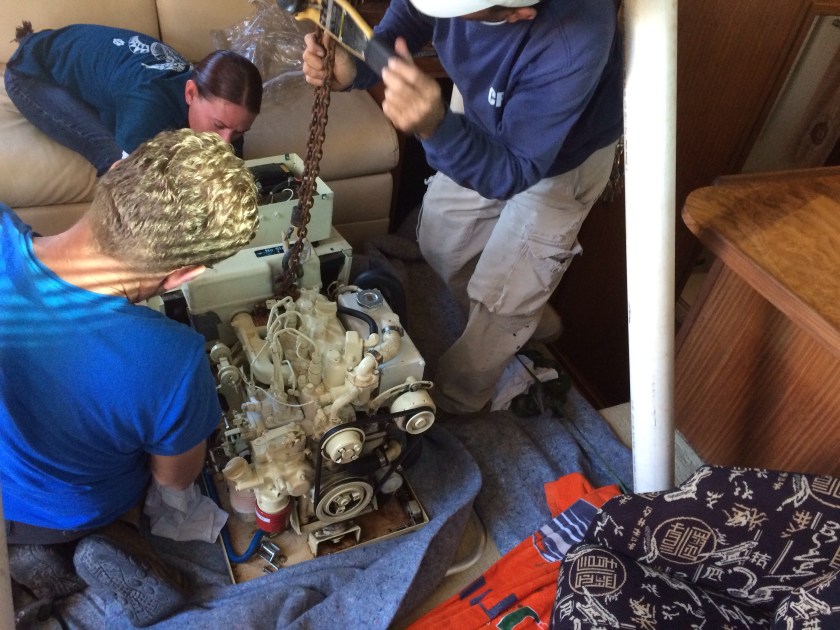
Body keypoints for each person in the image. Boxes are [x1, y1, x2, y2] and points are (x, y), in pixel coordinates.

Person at [301, 0, 623, 414]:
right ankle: (526, 317)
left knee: (503, 301)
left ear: (516, 13)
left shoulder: (573, 37)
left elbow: (514, 169)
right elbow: (411, 16)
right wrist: (357, 67)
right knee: (440, 242)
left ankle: (460, 399)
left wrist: (435, 127)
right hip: (479, 117)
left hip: (559, 159)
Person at [0, 128, 259, 627]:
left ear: (114, 171)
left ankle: (30, 551)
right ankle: (113, 536)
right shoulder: (174, 359)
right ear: (185, 274)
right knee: (158, 456)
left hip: (6, 497)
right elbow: (174, 478)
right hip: (80, 509)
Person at [4, 22, 264, 177]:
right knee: (112, 156)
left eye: (238, 132)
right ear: (190, 93)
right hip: (33, 73)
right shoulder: (149, 108)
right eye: (218, 126)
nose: (225, 142)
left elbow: (230, 166)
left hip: (96, 68)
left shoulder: (227, 119)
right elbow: (127, 185)